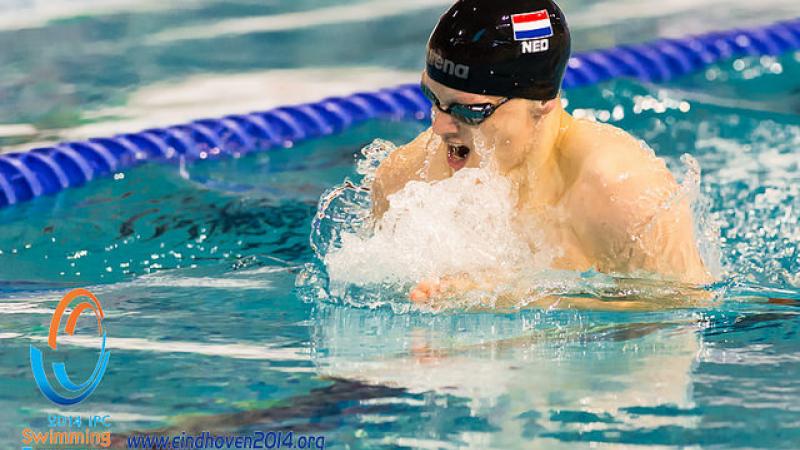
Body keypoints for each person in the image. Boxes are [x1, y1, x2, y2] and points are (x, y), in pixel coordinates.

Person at [370, 0, 713, 303]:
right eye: (433, 99)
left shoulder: (620, 192)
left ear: (542, 103)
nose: (440, 127)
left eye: (470, 111)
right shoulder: (404, 179)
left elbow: (686, 307)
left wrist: (522, 298)